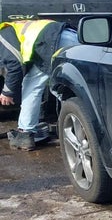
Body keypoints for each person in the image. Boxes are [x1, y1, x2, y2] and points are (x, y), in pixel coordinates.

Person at [0, 19, 78, 151]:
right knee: (70, 86)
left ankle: (25, 132)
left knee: (32, 86)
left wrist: (8, 92)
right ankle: (79, 121)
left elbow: (15, 65)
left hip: (53, 42)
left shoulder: (2, 36)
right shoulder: (13, 28)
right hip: (71, 37)